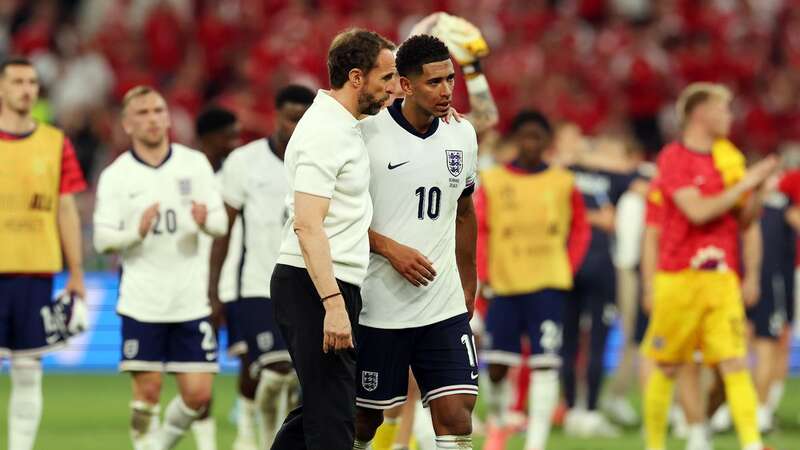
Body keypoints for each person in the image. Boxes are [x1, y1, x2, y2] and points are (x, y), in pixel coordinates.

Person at [269, 29, 396, 450]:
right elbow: (307, 223)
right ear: (357, 78)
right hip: (315, 283)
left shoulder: (347, 125)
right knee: (334, 419)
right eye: (386, 78)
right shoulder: (325, 132)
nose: (392, 88)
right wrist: (332, 302)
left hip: (329, 281)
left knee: (322, 408)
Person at [351, 34, 479, 450]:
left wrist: (468, 285)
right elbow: (337, 218)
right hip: (378, 308)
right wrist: (390, 248)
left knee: (456, 415)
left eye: (450, 81)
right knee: (363, 422)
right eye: (433, 83)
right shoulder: (366, 136)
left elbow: (463, 212)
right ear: (405, 85)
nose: (445, 91)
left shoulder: (462, 136)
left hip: (442, 306)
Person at [640, 82, 777, 450]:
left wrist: (756, 190)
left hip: (721, 278)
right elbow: (697, 210)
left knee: (734, 361)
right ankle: (655, 444)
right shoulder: (673, 157)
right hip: (678, 276)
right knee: (668, 364)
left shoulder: (727, 156)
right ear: (701, 114)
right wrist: (745, 183)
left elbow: (745, 220)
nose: (731, 116)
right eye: (724, 108)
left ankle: (751, 444)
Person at [93, 86, 228, 450]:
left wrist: (204, 221)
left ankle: (159, 446)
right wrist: (134, 233)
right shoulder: (117, 176)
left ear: (168, 117)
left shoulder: (194, 164)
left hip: (190, 299)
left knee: (198, 396)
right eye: (142, 113)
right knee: (146, 395)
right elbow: (102, 240)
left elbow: (220, 223)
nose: (152, 118)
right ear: (127, 124)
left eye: (158, 110)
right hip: (142, 300)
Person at [209, 85, 314, 450]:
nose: (298, 126)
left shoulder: (320, 160)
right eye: (291, 118)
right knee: (274, 372)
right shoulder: (245, 162)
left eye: (305, 119)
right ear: (277, 117)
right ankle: (251, 436)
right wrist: (214, 292)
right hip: (257, 283)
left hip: (308, 284)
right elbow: (222, 232)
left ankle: (272, 440)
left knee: (295, 378)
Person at [478, 110, 590, 450]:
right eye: (524, 137)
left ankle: (536, 442)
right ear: (515, 141)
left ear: (547, 142)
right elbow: (481, 229)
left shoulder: (562, 181)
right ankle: (498, 423)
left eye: (537, 137)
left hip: (548, 285)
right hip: (505, 283)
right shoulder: (494, 180)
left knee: (545, 364)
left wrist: (567, 267)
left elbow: (580, 229)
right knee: (497, 366)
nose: (531, 143)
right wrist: (483, 272)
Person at [0, 57, 87, 450]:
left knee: (28, 369)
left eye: (32, 82)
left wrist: (77, 272)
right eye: (17, 81)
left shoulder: (54, 142)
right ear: (2, 89)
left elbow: (65, 208)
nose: (26, 89)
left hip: (36, 272)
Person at [560, 136, 638, 437]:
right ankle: (589, 412)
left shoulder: (563, 172)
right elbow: (640, 175)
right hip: (599, 266)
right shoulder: (613, 177)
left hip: (568, 264)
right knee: (595, 341)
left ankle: (571, 411)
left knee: (569, 341)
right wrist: (598, 218)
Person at [191, 105, 242, 450]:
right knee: (200, 368)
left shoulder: (236, 176)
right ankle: (206, 442)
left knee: (258, 364)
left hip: (236, 285)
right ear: (211, 137)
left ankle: (248, 432)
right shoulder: (188, 177)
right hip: (194, 287)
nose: (235, 142)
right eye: (230, 135)